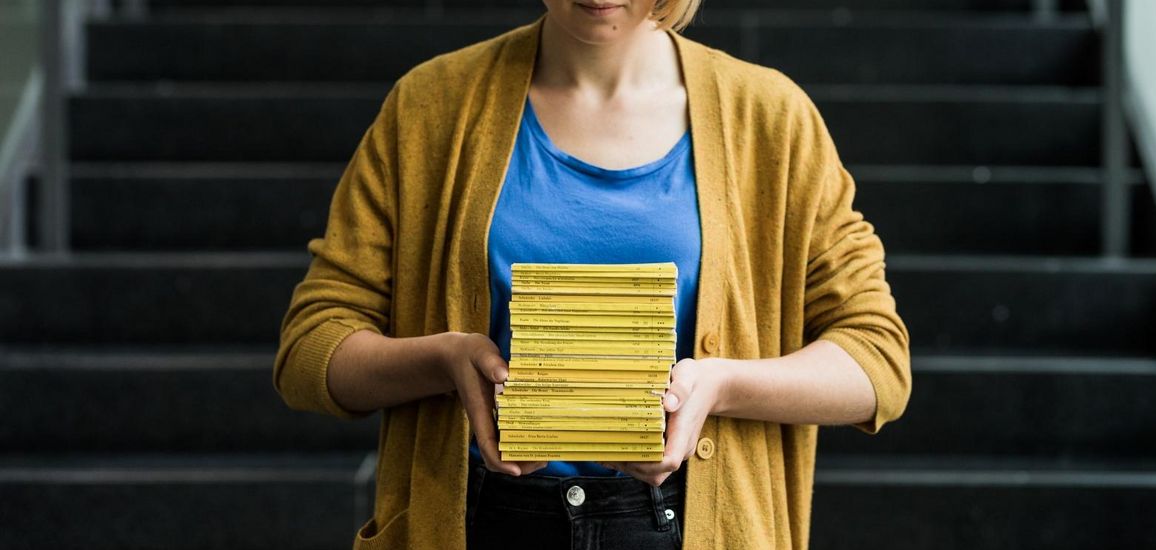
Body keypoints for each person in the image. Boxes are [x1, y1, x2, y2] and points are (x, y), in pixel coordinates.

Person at [272, 1, 912, 549]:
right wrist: (444, 360)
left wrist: (718, 385)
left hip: (687, 523)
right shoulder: (431, 107)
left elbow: (876, 361)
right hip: (478, 520)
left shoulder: (772, 118)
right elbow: (311, 351)